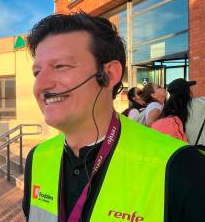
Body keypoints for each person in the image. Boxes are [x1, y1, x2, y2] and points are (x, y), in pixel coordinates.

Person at [22, 12, 205, 222]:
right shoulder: (37, 158)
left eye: (60, 66)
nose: (41, 85)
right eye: (37, 72)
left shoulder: (182, 167)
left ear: (109, 74)